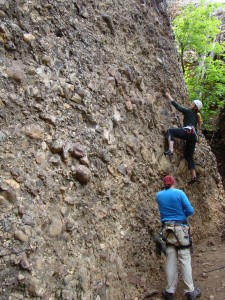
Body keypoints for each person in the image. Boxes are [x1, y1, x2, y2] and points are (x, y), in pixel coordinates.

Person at [156, 175, 201, 300]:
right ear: (173, 183)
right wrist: (182, 215)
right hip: (180, 228)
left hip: (167, 230)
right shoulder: (179, 193)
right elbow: (190, 210)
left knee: (170, 259)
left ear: (164, 184)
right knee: (185, 259)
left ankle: (169, 291)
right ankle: (190, 291)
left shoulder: (158, 196)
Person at [164, 92, 203, 184]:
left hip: (187, 133)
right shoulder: (196, 117)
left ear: (195, 107)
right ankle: (194, 176)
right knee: (189, 156)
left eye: (192, 104)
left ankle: (171, 150)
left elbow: (178, 107)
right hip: (193, 137)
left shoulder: (189, 111)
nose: (190, 104)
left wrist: (169, 96)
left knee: (170, 131)